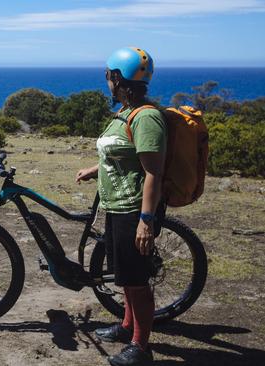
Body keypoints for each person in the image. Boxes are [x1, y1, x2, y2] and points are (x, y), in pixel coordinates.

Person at [75, 46, 167, 366]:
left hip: (134, 209)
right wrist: (93, 170)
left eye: (108, 76)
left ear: (118, 77)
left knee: (137, 281)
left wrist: (146, 220)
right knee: (124, 276)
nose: (106, 82)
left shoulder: (146, 117)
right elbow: (121, 156)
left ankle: (141, 347)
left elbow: (154, 171)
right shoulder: (124, 114)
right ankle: (127, 326)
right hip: (115, 207)